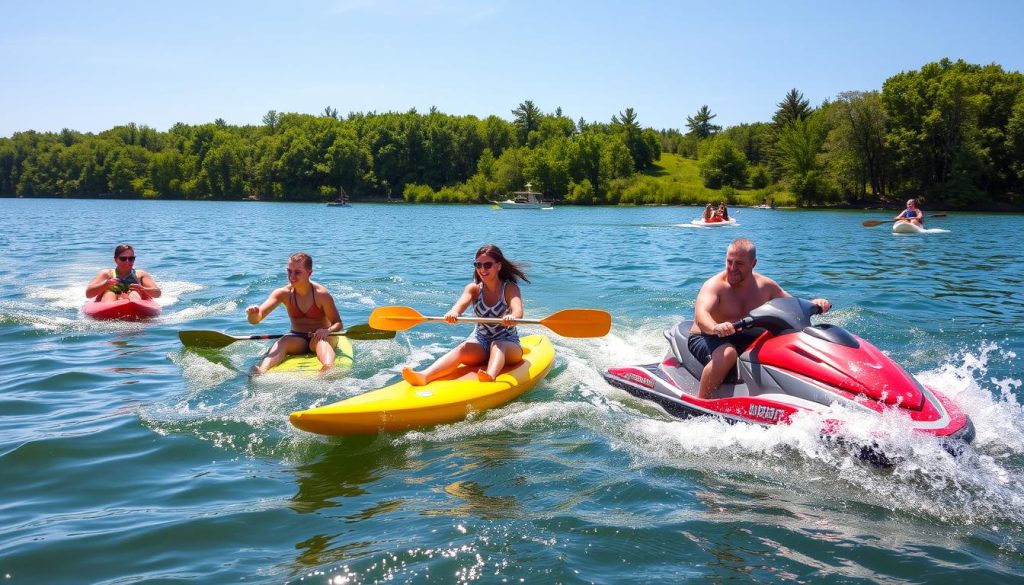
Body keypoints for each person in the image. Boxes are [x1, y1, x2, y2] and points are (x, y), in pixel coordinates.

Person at [689, 238, 831, 399]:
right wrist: (715, 327)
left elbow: (792, 306)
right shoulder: (715, 286)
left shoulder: (765, 286)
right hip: (708, 336)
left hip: (745, 336)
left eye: (739, 263)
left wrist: (814, 304)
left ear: (753, 263)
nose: (732, 268)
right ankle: (700, 402)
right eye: (729, 262)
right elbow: (702, 315)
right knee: (727, 354)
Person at [402, 244, 528, 386]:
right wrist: (453, 313)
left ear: (498, 266)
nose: (482, 269)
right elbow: (459, 306)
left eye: (487, 265)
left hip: (508, 345)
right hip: (481, 343)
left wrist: (513, 317)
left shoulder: (510, 288)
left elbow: (518, 311)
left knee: (498, 344)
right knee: (463, 348)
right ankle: (424, 376)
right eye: (478, 265)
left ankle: (490, 375)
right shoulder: (473, 289)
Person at [245, 252, 343, 374]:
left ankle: (328, 368)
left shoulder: (321, 294)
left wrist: (327, 331)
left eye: (297, 272)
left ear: (309, 273)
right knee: (283, 341)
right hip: (297, 339)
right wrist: (252, 315)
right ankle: (261, 371)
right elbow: (257, 319)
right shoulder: (282, 293)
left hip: (321, 337)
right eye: (289, 271)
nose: (291, 276)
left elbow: (338, 323)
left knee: (320, 341)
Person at [85, 243, 161, 302]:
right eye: (123, 259)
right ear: (115, 260)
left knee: (134, 293)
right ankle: (110, 309)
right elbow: (88, 294)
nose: (128, 261)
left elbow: (157, 293)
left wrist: (143, 289)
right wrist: (105, 284)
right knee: (110, 293)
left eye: (131, 258)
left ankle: (134, 305)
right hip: (109, 299)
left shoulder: (140, 274)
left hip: (135, 298)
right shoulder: (107, 274)